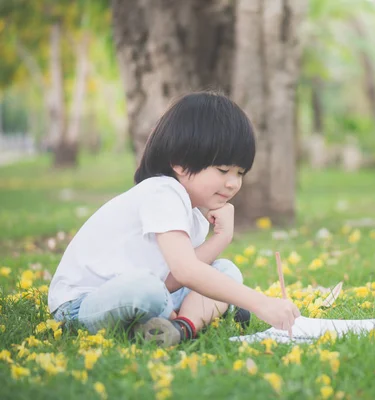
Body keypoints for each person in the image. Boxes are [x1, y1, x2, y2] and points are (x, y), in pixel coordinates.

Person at [48, 91, 300, 347]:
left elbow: (173, 279)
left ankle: (179, 328)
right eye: (223, 170)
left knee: (227, 271)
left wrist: (222, 237)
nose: (233, 183)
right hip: (82, 304)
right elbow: (185, 271)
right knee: (148, 289)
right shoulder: (163, 192)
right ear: (180, 163)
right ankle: (198, 313)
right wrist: (262, 304)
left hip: (152, 293)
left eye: (240, 173)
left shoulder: (193, 215)